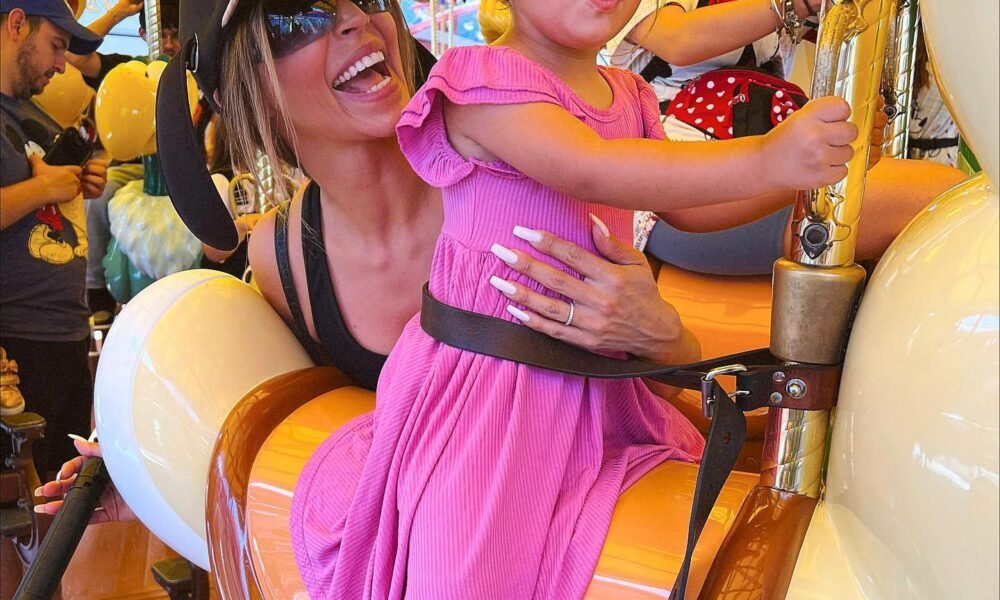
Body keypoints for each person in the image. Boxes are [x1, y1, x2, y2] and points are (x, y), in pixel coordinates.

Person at [285, 0, 868, 595]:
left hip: (599, 391)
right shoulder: (482, 82)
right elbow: (590, 167)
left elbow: (688, 208)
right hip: (491, 397)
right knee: (459, 571)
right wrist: (768, 159)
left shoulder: (629, 94)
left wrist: (799, 174)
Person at [606, 0, 966, 274]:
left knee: (950, 196)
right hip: (677, 190)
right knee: (942, 198)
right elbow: (679, 39)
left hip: (771, 159)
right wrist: (795, 4)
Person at [0, 0, 108, 476]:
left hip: (67, 334)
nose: (63, 65)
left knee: (63, 494)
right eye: (56, 46)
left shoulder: (36, 116)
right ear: (17, 24)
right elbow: (38, 193)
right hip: (17, 342)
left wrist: (82, 183)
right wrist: (42, 189)